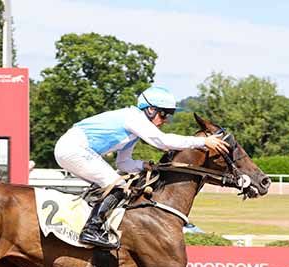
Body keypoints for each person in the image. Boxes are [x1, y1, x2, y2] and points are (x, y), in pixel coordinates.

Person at [53, 85, 229, 249]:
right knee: (118, 185)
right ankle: (91, 230)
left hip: (72, 150)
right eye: (163, 114)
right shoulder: (133, 118)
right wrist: (203, 141)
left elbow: (123, 163)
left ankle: (85, 225)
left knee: (110, 186)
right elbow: (163, 141)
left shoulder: (132, 132)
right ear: (150, 110)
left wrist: (144, 165)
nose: (165, 120)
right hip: (74, 149)